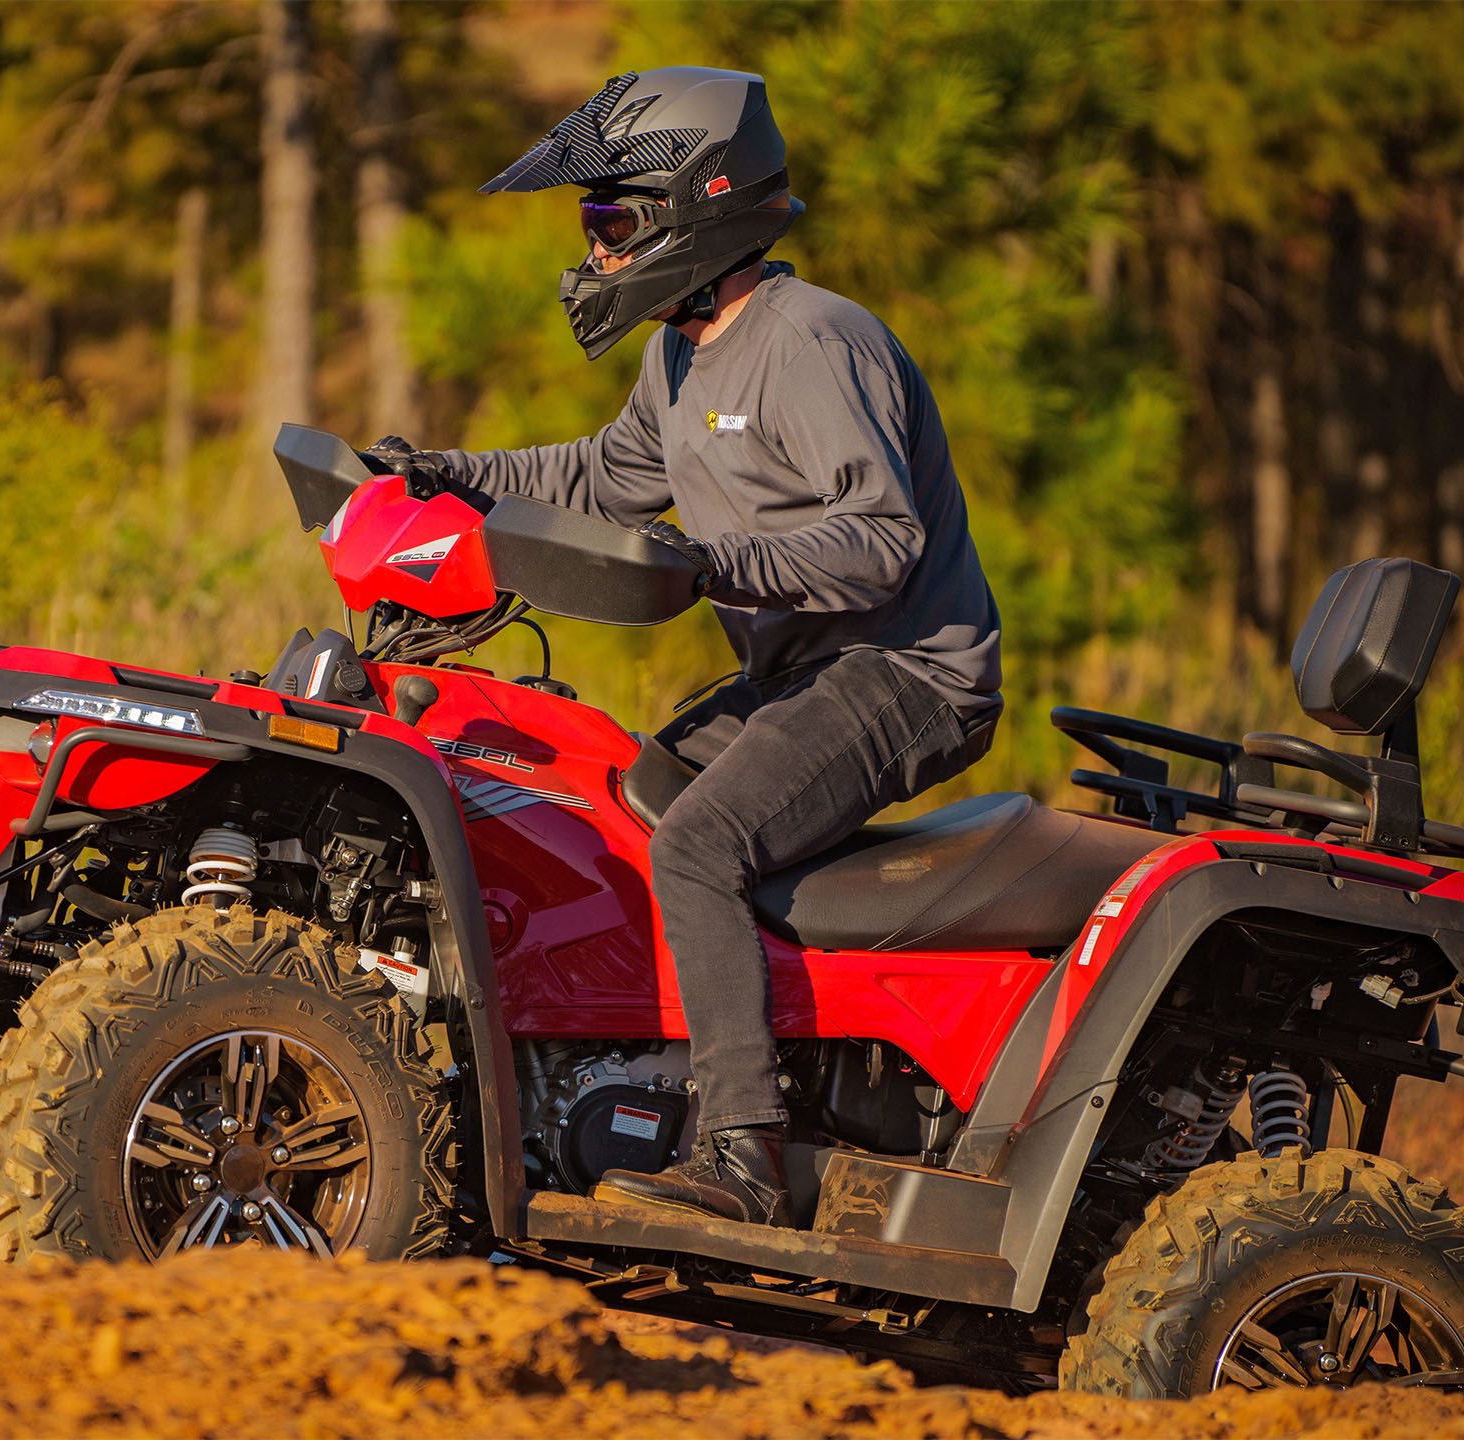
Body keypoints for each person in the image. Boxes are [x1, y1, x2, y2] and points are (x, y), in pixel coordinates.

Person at [369, 67, 1003, 1228]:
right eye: (589, 227)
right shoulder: (679, 356)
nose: (597, 253)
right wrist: (457, 478)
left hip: (908, 674)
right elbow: (600, 480)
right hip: (800, 673)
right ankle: (619, 1095)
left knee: (699, 843)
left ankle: (745, 1154)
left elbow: (882, 544)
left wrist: (713, 564)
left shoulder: (810, 341)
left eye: (614, 223)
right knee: (620, 801)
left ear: (692, 210)